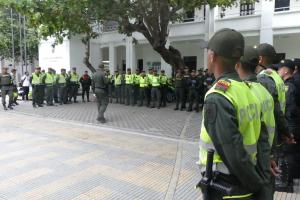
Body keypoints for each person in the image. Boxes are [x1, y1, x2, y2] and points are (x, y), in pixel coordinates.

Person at [198, 28, 268, 199]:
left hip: (227, 186)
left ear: (212, 56)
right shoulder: (248, 89)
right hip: (245, 179)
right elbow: (262, 138)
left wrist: (256, 186)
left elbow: (232, 150)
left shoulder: (218, 96)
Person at [236, 46, 276, 199]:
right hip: (266, 154)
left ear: (237, 64)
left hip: (251, 161)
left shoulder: (243, 92)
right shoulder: (264, 91)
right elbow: (273, 123)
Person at [255, 44, 294, 185]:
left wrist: (286, 132)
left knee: (266, 175)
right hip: (276, 131)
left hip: (268, 136)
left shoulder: (264, 79)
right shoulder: (276, 77)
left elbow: (275, 109)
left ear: (260, 59)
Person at [278, 59, 300, 183]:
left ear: (286, 71)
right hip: (295, 123)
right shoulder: (295, 82)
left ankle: (286, 180)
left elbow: (289, 108)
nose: (278, 71)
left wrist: (287, 128)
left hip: (291, 124)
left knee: (287, 152)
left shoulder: (288, 86)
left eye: (280, 68)